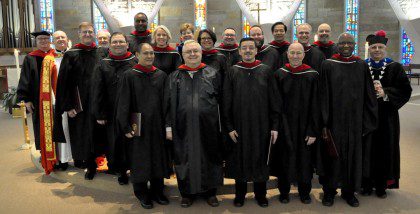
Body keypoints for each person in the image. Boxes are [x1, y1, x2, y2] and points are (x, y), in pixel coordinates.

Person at [319, 33, 378, 207]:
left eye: (349, 43)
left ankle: (349, 192)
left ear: (354, 45)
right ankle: (329, 192)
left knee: (353, 158)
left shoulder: (360, 65)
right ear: (337, 45)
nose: (346, 46)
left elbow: (369, 95)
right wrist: (324, 122)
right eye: (343, 43)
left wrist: (367, 121)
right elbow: (323, 95)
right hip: (334, 122)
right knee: (332, 156)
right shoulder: (328, 65)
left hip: (355, 121)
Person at [166, 40, 223, 208]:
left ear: (201, 53)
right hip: (182, 128)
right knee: (184, 158)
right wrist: (168, 126)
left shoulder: (212, 74)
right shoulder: (174, 76)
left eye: (195, 52)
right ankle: (187, 194)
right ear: (182, 55)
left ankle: (210, 193)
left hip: (209, 127)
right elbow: (167, 104)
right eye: (188, 52)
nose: (192, 54)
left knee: (210, 157)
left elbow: (222, 100)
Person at [224, 38, 280, 207]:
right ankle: (240, 194)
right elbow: (226, 101)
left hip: (261, 125)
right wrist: (229, 126)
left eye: (251, 48)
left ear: (256, 51)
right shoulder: (232, 71)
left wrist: (274, 126)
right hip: (239, 125)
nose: (248, 51)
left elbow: (274, 101)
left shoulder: (266, 71)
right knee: (239, 159)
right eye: (244, 48)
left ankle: (260, 194)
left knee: (260, 158)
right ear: (239, 51)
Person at [116, 43, 171, 209]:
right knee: (140, 159)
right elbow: (123, 102)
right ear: (137, 55)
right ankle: (141, 192)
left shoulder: (161, 75)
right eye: (145, 53)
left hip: (157, 125)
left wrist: (168, 125)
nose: (149, 56)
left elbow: (167, 103)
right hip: (137, 124)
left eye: (151, 53)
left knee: (157, 158)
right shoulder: (129, 75)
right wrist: (125, 126)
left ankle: (157, 190)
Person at [361, 30, 412, 198]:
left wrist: (386, 93)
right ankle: (366, 184)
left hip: (387, 117)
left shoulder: (394, 67)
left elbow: (405, 90)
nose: (377, 50)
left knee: (385, 150)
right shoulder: (361, 66)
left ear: (385, 49)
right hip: (365, 116)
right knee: (365, 150)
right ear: (369, 49)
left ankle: (382, 185)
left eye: (380, 47)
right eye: (374, 47)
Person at [53, 22, 105, 180]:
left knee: (101, 132)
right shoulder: (71, 54)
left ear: (94, 33)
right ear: (79, 34)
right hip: (79, 103)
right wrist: (68, 106)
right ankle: (90, 165)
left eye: (90, 31)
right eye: (84, 32)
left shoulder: (102, 52)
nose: (88, 34)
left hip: (99, 100)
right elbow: (63, 82)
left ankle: (107, 162)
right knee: (84, 135)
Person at [271, 42, 320, 204]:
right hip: (285, 125)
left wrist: (313, 130)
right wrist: (275, 127)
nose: (295, 56)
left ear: (304, 55)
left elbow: (316, 104)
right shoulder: (279, 74)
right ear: (287, 54)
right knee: (284, 158)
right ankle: (284, 192)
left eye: (298, 53)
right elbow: (275, 103)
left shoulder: (312, 75)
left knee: (304, 159)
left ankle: (304, 192)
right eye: (292, 53)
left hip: (306, 125)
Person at [92, 32, 137, 185]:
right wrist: (100, 113)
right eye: (115, 42)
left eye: (121, 42)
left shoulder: (135, 61)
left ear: (127, 44)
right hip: (111, 110)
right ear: (110, 45)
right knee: (115, 141)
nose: (118, 44)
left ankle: (135, 168)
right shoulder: (103, 63)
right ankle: (120, 170)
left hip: (132, 110)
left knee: (132, 140)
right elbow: (98, 90)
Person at [17, 31, 57, 174]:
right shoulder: (31, 58)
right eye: (40, 39)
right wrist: (26, 99)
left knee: (58, 125)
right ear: (36, 41)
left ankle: (59, 154)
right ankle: (44, 155)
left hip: (56, 98)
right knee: (41, 127)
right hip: (38, 100)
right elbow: (25, 78)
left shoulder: (56, 56)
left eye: (46, 38)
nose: (44, 41)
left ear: (50, 40)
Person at [52, 30, 72, 171]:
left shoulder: (73, 55)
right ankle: (64, 159)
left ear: (67, 39)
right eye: (57, 38)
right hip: (57, 100)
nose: (60, 39)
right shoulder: (49, 59)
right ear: (53, 41)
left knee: (76, 129)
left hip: (73, 98)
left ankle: (78, 156)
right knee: (63, 128)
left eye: (62, 37)